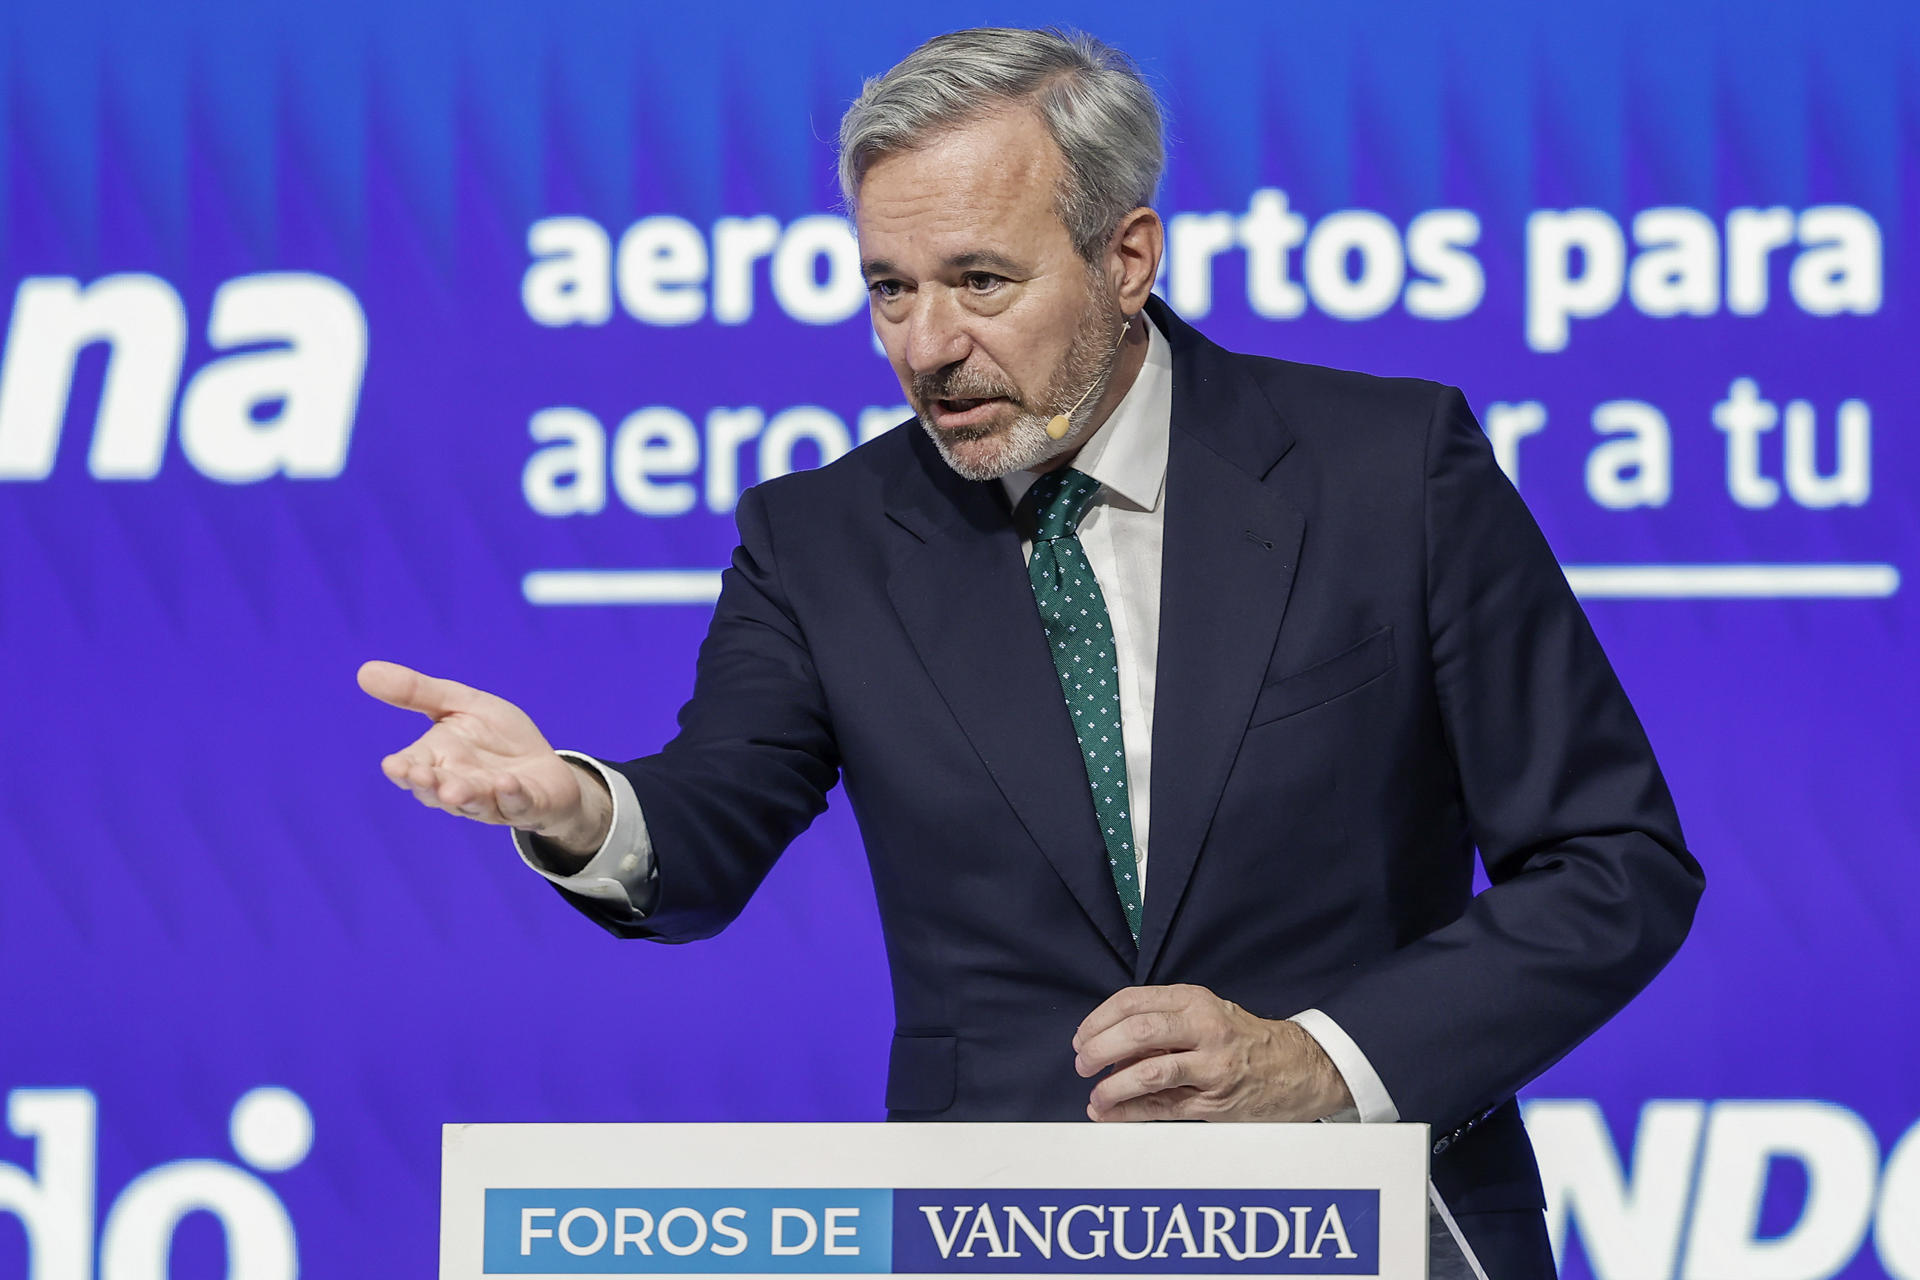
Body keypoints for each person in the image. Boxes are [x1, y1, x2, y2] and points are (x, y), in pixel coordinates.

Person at [360, 27, 1702, 1277]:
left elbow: (1612, 862)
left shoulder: (1386, 472)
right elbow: (712, 818)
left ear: (1127, 258)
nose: (928, 347)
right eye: (890, 290)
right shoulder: (822, 537)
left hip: (1368, 1218)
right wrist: (583, 807)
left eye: (980, 282)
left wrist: (1321, 1064)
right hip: (996, 1237)